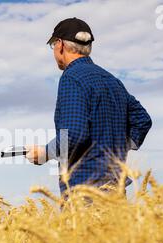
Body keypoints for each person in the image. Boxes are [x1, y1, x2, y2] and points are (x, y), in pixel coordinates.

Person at [25, 17, 152, 195]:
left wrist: (44, 153)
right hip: (116, 190)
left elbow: (73, 135)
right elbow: (142, 120)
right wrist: (114, 150)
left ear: (60, 44)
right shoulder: (112, 80)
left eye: (53, 45)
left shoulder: (71, 78)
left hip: (85, 193)